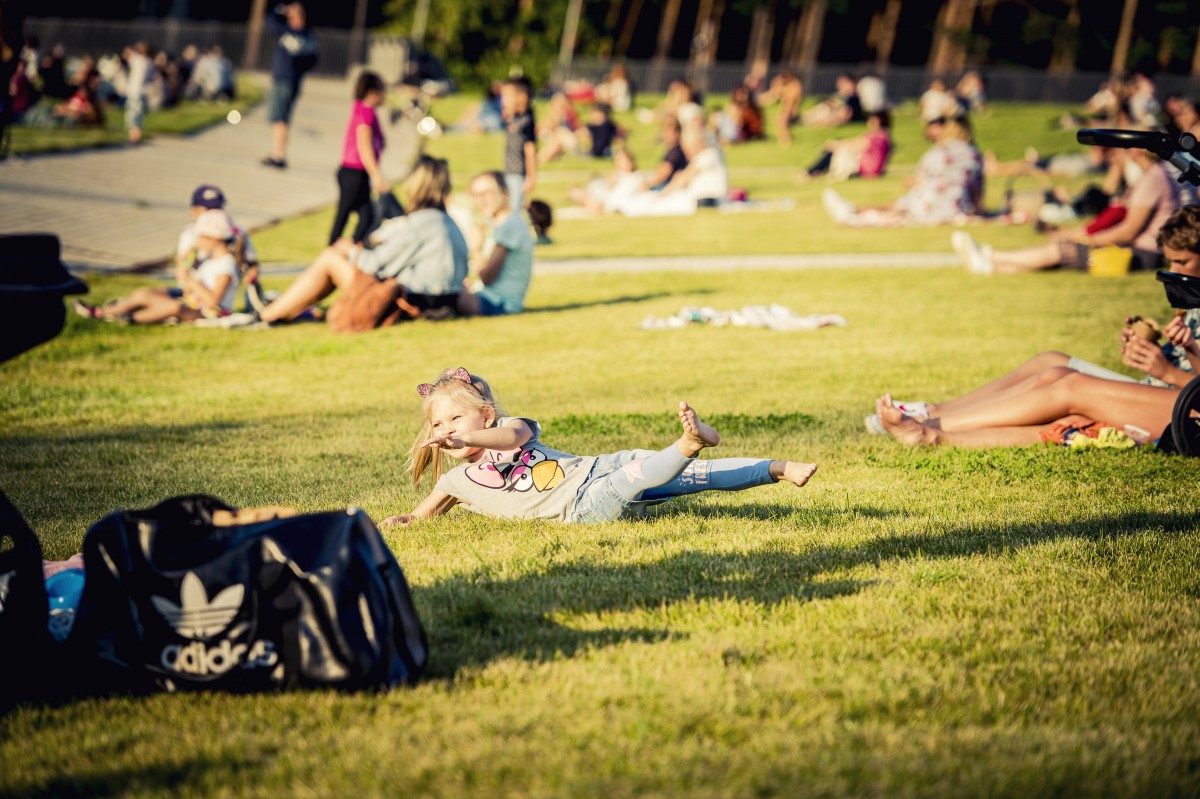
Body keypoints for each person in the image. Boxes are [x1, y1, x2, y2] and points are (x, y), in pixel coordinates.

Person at [872, 205, 1200, 448]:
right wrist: (1156, 348)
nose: (1173, 271)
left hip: (1190, 413)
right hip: (1170, 396)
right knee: (1051, 363)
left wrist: (1166, 371)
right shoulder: (1192, 298)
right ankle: (933, 413)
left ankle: (929, 428)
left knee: (1071, 388)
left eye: (1182, 262)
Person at [381, 368, 818, 526]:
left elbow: (511, 440)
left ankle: (776, 467)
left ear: (486, 416)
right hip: (584, 506)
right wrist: (401, 521)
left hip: (594, 466)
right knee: (641, 478)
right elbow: (421, 516)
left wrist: (468, 436)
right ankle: (688, 443)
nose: (447, 429)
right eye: (438, 423)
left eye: (456, 417)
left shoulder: (511, 427)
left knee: (693, 479)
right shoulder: (457, 480)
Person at [258, 155, 467, 323]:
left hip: (415, 302)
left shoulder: (420, 223)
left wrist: (350, 250)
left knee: (331, 257)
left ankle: (268, 314)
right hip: (445, 299)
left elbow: (376, 265)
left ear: (416, 186)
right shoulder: (447, 222)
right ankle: (284, 308)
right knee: (338, 257)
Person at [952, 146, 1181, 275]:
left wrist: (1089, 238)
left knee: (1060, 251)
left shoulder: (1153, 179)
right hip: (1137, 250)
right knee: (1058, 254)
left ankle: (990, 256)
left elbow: (1128, 232)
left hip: (1140, 255)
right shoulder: (1151, 176)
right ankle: (989, 266)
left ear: (1137, 151)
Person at [73, 210, 241, 324]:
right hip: (192, 302)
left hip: (209, 312)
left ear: (214, 238)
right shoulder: (208, 258)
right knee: (143, 293)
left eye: (201, 236)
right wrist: (186, 262)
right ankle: (103, 311)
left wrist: (189, 279)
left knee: (173, 307)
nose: (197, 240)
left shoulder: (226, 265)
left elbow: (213, 302)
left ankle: (130, 318)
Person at [822, 115, 982, 227]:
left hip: (932, 204)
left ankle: (854, 212)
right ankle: (853, 210)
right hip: (959, 207)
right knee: (904, 207)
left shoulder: (939, 152)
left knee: (901, 207)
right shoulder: (974, 154)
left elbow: (922, 177)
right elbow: (977, 189)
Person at [455, 172, 534, 317]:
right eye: (476, 195)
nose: (482, 200)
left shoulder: (509, 225)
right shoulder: (502, 224)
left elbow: (487, 276)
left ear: (504, 193)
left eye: (487, 193)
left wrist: (476, 248)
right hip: (491, 298)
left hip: (500, 303)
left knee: (447, 295)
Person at [176, 184, 263, 312]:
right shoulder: (191, 234)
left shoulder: (237, 233)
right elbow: (182, 268)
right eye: (208, 209)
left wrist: (250, 277)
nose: (214, 213)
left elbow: (252, 264)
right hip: (194, 290)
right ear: (194, 211)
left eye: (218, 207)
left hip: (218, 294)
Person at [329, 71, 388, 245]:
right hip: (354, 173)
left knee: (367, 216)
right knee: (344, 214)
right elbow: (364, 146)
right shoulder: (366, 112)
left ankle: (351, 248)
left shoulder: (361, 108)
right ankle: (330, 252)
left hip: (356, 174)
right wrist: (377, 175)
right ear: (373, 92)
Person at [262, 1, 318, 169]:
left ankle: (278, 155)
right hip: (294, 81)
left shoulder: (287, 32)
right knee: (282, 118)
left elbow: (268, 20)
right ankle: (278, 153)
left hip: (284, 80)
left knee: (279, 118)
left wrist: (281, 11)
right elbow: (313, 60)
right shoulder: (309, 36)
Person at [802, 110, 891, 180]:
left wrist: (835, 144)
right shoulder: (885, 136)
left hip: (867, 170)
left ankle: (812, 172)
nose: (869, 122)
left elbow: (857, 144)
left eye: (872, 120)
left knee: (837, 151)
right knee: (837, 148)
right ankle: (815, 171)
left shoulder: (876, 136)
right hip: (874, 170)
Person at [500, 76, 536, 209]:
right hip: (509, 172)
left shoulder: (526, 121)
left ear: (522, 97)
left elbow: (530, 149)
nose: (504, 101)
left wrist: (531, 177)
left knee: (514, 208)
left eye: (508, 96)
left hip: (518, 174)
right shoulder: (514, 118)